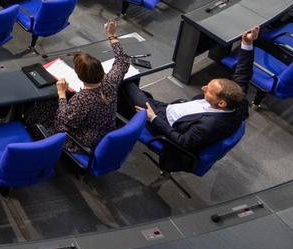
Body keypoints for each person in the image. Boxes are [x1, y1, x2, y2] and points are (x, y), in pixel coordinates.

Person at [121, 28, 257, 171]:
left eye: (209, 91)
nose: (203, 88)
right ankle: (121, 108)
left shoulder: (209, 126)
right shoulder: (237, 100)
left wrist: (154, 118)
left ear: (221, 103)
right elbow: (243, 73)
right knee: (129, 85)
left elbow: (182, 141)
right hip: (168, 109)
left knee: (125, 79)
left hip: (162, 123)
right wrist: (247, 43)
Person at [25, 20, 128, 151]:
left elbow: (64, 119)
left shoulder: (82, 99)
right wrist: (112, 35)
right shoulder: (111, 81)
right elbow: (122, 61)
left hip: (84, 140)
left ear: (79, 76)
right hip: (105, 131)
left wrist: (62, 94)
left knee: (39, 112)